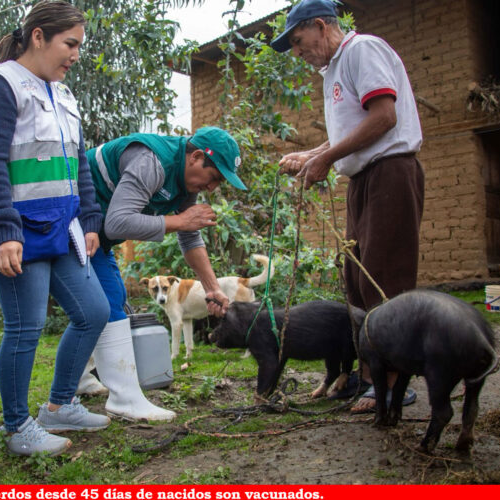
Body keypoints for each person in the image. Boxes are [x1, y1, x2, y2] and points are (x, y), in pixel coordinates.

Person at [0, 0, 111, 457]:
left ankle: (60, 404)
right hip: (17, 227)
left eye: (79, 46)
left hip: (63, 227)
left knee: (94, 311)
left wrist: (88, 218)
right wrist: (5, 229)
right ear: (38, 37)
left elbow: (79, 165)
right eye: (69, 44)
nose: (75, 55)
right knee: (25, 327)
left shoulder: (64, 94)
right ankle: (16, 428)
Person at [272, 0, 424, 413]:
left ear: (322, 26)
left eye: (300, 42)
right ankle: (371, 375)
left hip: (390, 171)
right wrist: (312, 153)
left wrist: (324, 159)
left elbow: (384, 117)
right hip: (362, 179)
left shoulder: (362, 50)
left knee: (384, 277)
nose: (299, 53)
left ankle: (393, 382)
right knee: (357, 279)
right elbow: (351, 131)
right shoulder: (334, 71)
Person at [76, 126, 247, 421]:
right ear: (195, 157)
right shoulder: (151, 162)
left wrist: (212, 287)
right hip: (73, 226)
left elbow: (190, 236)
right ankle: (124, 397)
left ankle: (80, 380)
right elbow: (117, 223)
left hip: (97, 238)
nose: (213, 188)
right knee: (101, 308)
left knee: (111, 301)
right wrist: (179, 220)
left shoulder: (185, 184)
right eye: (215, 177)